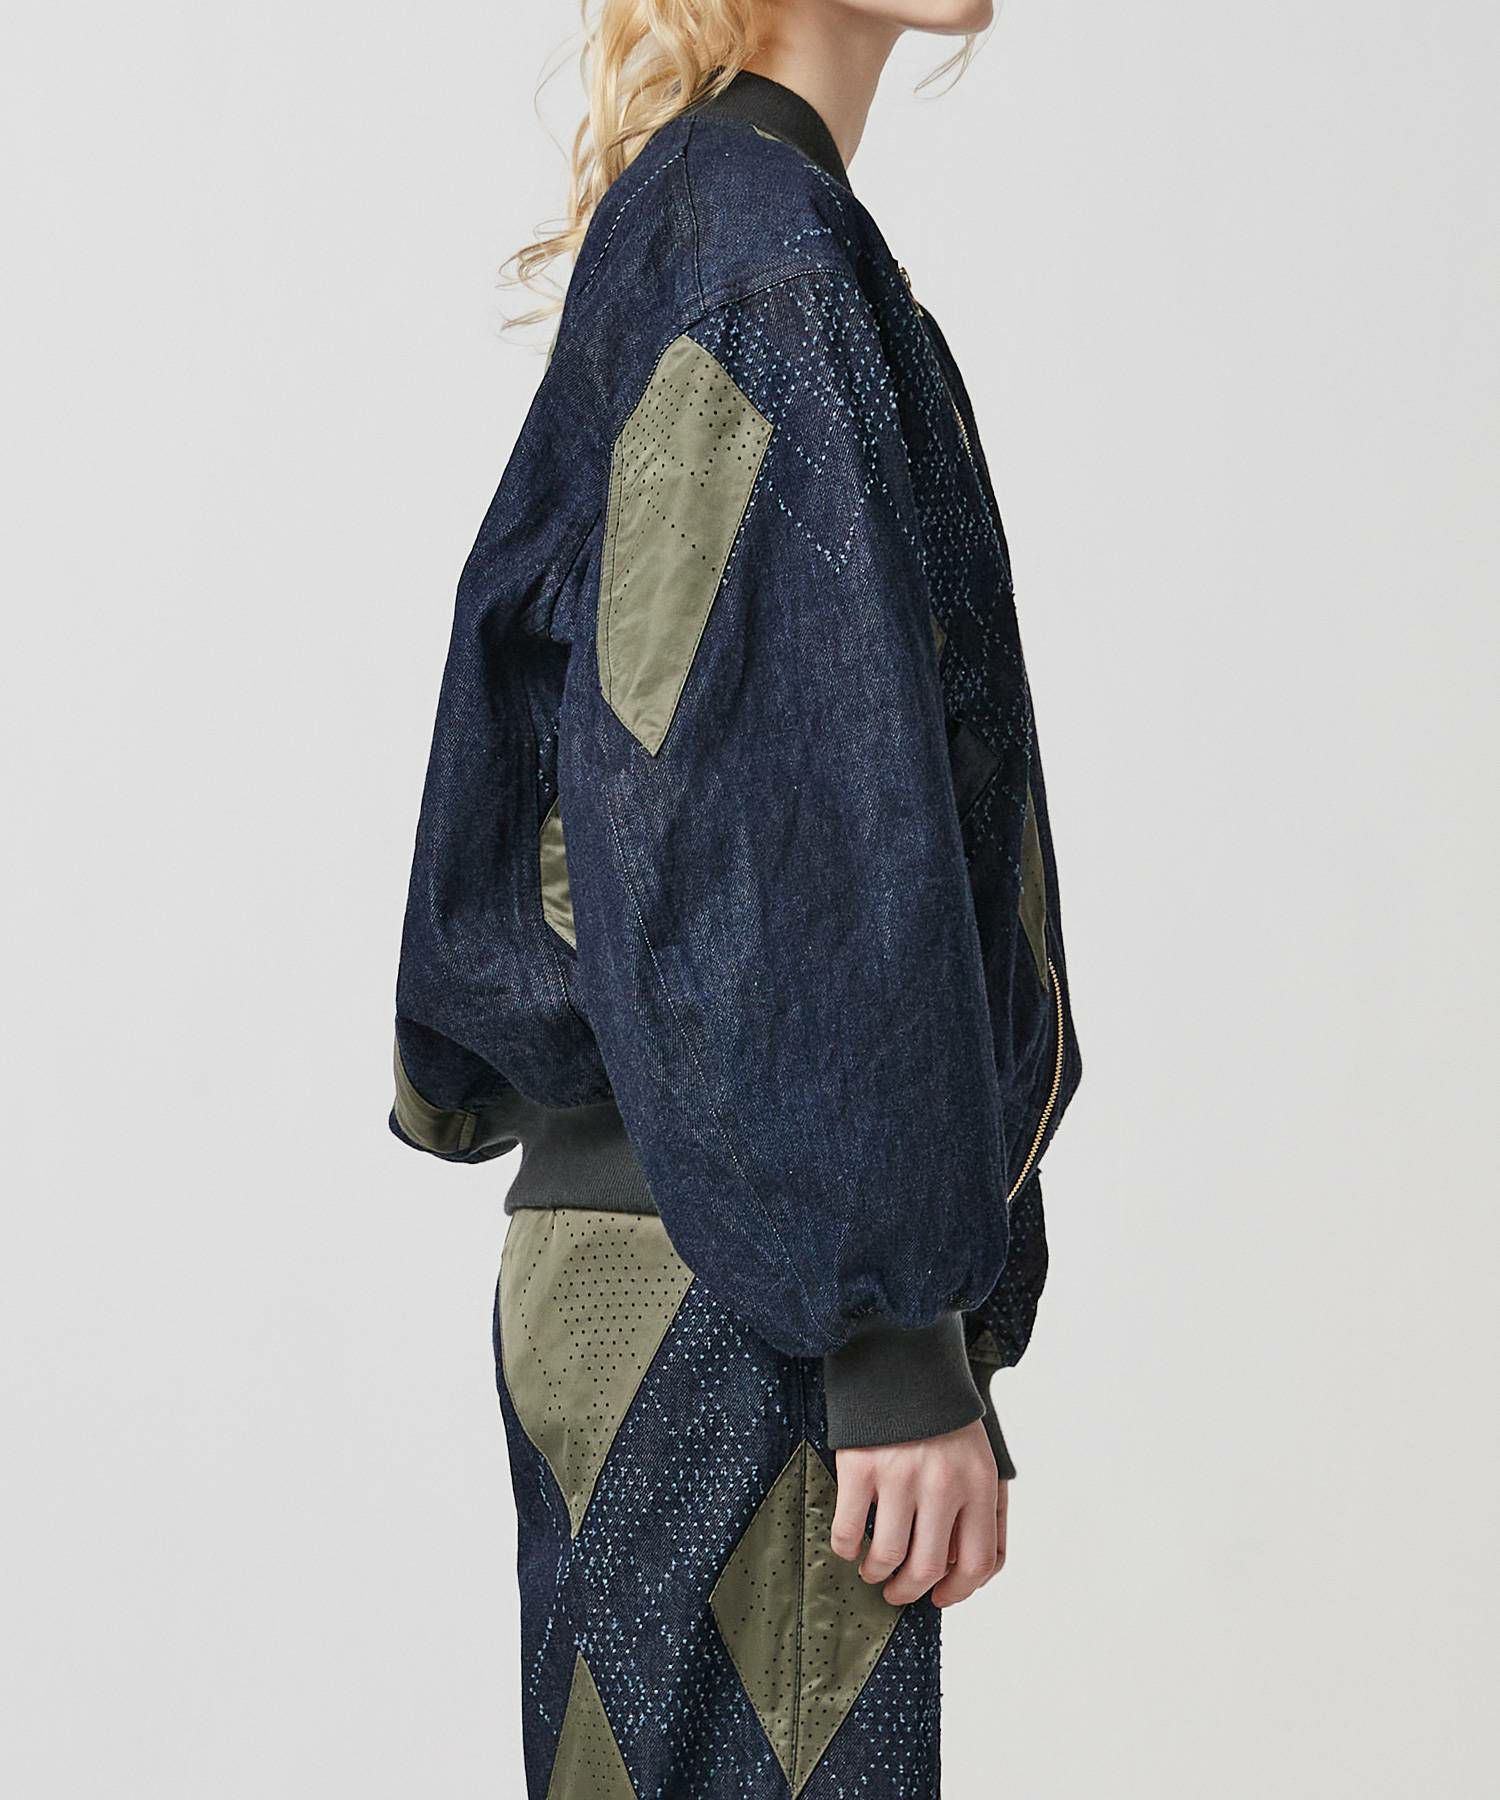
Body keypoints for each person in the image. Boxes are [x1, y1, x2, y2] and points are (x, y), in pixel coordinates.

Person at [388, 2, 1081, 1792]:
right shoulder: (760, 254)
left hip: (692, 1263)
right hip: (741, 1299)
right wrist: (886, 1332)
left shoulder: (721, 223)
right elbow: (761, 811)